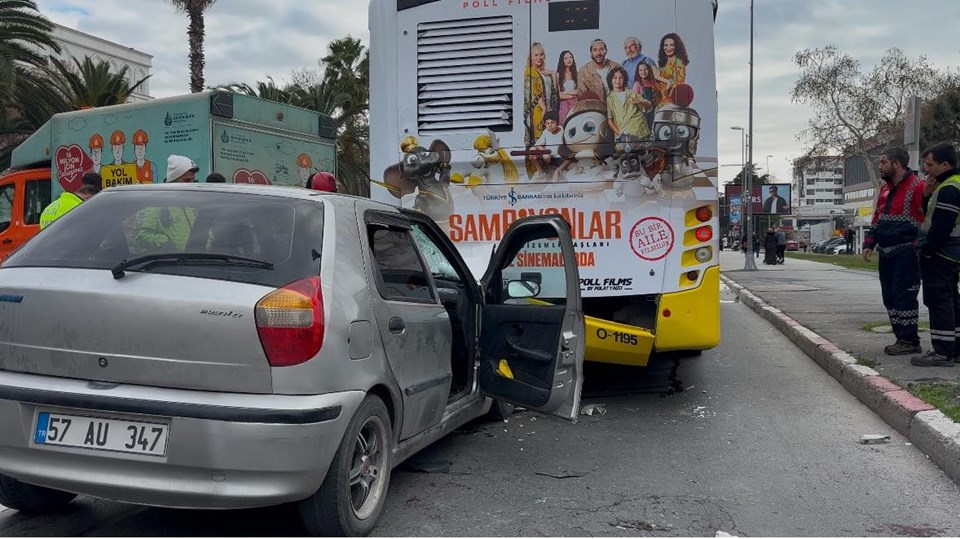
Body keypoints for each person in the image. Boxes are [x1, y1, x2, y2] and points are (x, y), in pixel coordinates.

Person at [862, 147, 926, 356]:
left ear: (896, 164)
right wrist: (868, 245)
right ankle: (901, 337)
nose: (880, 166)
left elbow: (925, 221)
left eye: (883, 162)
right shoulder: (885, 190)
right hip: (886, 252)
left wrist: (918, 246)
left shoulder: (919, 187)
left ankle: (909, 339)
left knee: (904, 296)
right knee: (889, 297)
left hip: (906, 252)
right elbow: (877, 220)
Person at [911, 143, 960, 367]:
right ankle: (954, 348)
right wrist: (926, 196)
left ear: (945, 164)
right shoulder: (948, 185)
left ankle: (942, 352)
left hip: (942, 253)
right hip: (950, 253)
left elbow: (940, 226)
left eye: (930, 164)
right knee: (951, 299)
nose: (926, 169)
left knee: (939, 300)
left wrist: (927, 250)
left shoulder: (949, 188)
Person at [131, 155, 200, 254]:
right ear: (173, 180)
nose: (192, 184)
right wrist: (166, 244)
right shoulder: (154, 205)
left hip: (199, 262)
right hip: (168, 266)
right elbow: (139, 237)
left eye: (193, 180)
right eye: (187, 180)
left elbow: (205, 230)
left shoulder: (192, 206)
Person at [524, 42, 556, 149]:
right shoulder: (530, 71)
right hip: (539, 109)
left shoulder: (543, 72)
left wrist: (553, 75)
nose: (539, 57)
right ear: (531, 57)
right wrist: (544, 108)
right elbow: (534, 91)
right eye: (536, 55)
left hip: (548, 107)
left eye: (541, 54)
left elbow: (554, 91)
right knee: (539, 140)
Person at [605, 67, 650, 142]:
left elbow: (649, 106)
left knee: (643, 153)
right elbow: (610, 120)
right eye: (614, 78)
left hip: (640, 132)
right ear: (610, 80)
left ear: (624, 79)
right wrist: (619, 134)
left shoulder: (632, 93)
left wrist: (639, 101)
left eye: (621, 78)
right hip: (624, 134)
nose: (617, 81)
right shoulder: (609, 98)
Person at [654, 33, 689, 104]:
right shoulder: (663, 62)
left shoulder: (678, 62)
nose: (668, 48)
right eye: (666, 45)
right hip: (660, 102)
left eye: (671, 45)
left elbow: (677, 84)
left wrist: (659, 78)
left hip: (671, 103)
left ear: (677, 46)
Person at [530, 111, 563, 181]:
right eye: (547, 123)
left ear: (557, 123)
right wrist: (545, 152)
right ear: (545, 124)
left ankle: (554, 171)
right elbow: (538, 144)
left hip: (558, 158)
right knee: (532, 149)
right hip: (547, 157)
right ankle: (540, 173)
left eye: (552, 123)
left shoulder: (563, 131)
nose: (550, 125)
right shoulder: (546, 131)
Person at [555, 50, 579, 125]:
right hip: (564, 106)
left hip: (576, 104)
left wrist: (565, 93)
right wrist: (573, 94)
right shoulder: (558, 75)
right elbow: (559, 95)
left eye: (570, 57)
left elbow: (579, 91)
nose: (569, 59)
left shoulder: (576, 74)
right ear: (562, 60)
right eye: (566, 58)